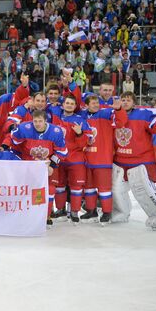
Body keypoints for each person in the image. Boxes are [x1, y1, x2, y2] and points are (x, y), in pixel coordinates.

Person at [112, 91, 156, 229]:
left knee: (145, 192)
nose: (125, 102)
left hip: (141, 161)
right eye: (123, 100)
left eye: (129, 100)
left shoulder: (144, 114)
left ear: (134, 103)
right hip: (119, 161)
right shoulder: (113, 115)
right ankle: (121, 212)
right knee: (116, 190)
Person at [10, 110, 67, 227]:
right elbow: (14, 142)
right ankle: (31, 215)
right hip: (29, 164)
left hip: (47, 163)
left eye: (40, 121)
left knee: (50, 190)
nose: (37, 123)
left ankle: (46, 217)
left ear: (46, 121)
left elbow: (62, 152)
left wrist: (52, 165)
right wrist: (19, 161)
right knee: (30, 190)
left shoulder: (56, 132)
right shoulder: (24, 128)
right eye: (35, 121)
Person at [79, 94, 127, 224]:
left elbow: (121, 122)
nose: (95, 105)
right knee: (88, 188)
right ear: (86, 105)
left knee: (104, 188)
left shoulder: (106, 114)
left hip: (102, 159)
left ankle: (106, 212)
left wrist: (118, 110)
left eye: (97, 102)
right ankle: (91, 211)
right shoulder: (82, 116)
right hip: (86, 160)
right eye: (92, 103)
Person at [50, 94, 93, 224]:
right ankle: (61, 209)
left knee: (76, 187)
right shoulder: (55, 115)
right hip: (58, 157)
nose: (69, 105)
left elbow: (86, 143)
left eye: (71, 104)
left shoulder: (80, 120)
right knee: (59, 186)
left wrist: (80, 133)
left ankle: (74, 211)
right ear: (62, 105)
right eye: (67, 103)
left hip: (75, 158)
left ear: (75, 106)